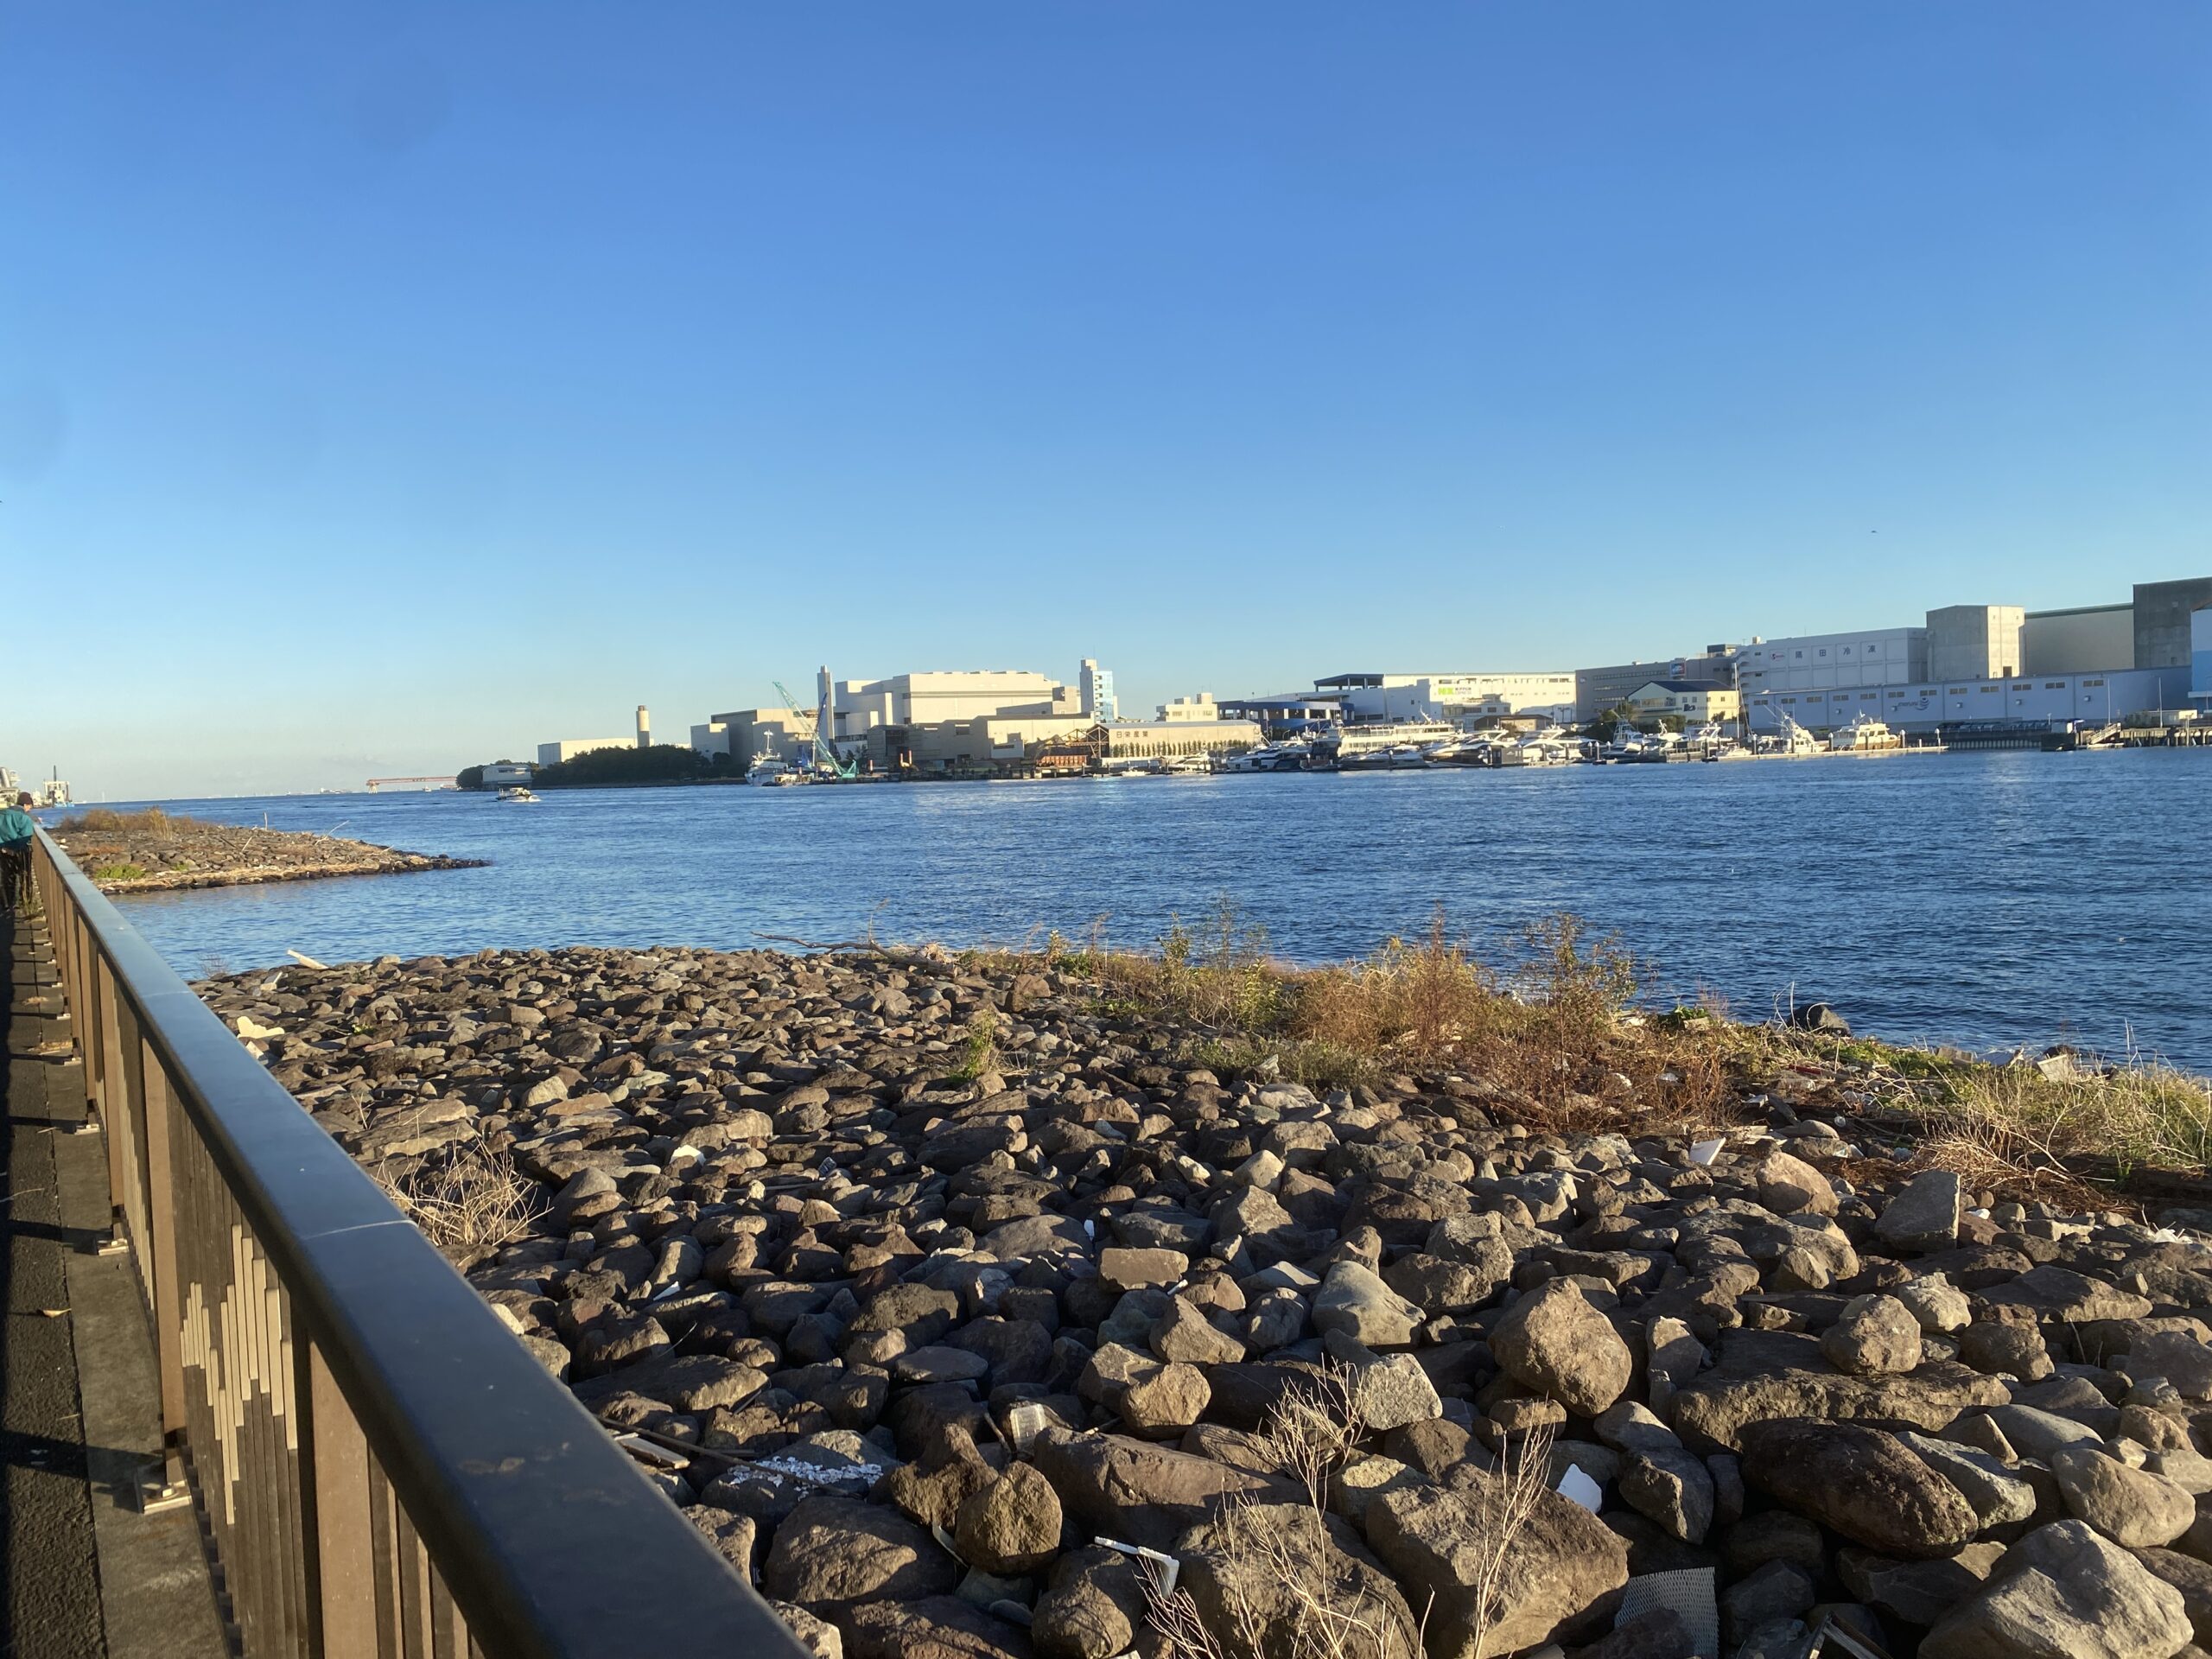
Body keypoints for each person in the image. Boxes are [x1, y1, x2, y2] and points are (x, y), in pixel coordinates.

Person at [0, 791, 37, 914]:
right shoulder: (25, 818)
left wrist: (5, 848)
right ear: (26, 805)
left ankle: (7, 904)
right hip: (21, 851)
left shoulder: (2, 814)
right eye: (30, 807)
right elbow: (26, 836)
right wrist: (15, 849)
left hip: (3, 850)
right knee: (25, 875)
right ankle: (25, 902)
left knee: (6, 877)